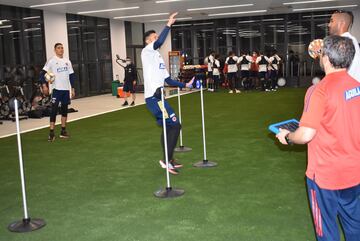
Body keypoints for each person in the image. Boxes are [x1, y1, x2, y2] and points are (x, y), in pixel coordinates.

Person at [276, 35, 360, 241]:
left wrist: (287, 136)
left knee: (326, 230)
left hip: (325, 175)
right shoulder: (357, 86)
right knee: (355, 228)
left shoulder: (318, 90)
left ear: (326, 58)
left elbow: (305, 135)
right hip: (355, 172)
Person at [141, 12, 194, 175]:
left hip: (159, 98)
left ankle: (168, 159)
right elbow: (161, 41)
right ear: (148, 41)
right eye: (154, 37)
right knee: (175, 124)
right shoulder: (147, 52)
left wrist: (185, 84)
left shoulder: (157, 56)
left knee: (168, 126)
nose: (157, 39)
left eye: (157, 37)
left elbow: (168, 80)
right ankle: (166, 160)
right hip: (153, 98)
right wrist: (168, 24)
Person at [40, 43, 75, 142]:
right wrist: (44, 85)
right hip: (56, 90)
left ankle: (63, 131)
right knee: (54, 110)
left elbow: (71, 75)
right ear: (55, 50)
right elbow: (42, 73)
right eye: (59, 48)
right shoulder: (52, 61)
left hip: (65, 91)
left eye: (62, 48)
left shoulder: (67, 61)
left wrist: (72, 88)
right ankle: (51, 132)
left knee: (64, 110)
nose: (61, 49)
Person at [328, 10, 360, 82]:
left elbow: (330, 66)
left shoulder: (345, 42)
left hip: (349, 89)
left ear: (342, 23)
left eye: (332, 21)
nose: (329, 25)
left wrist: (319, 52)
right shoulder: (349, 40)